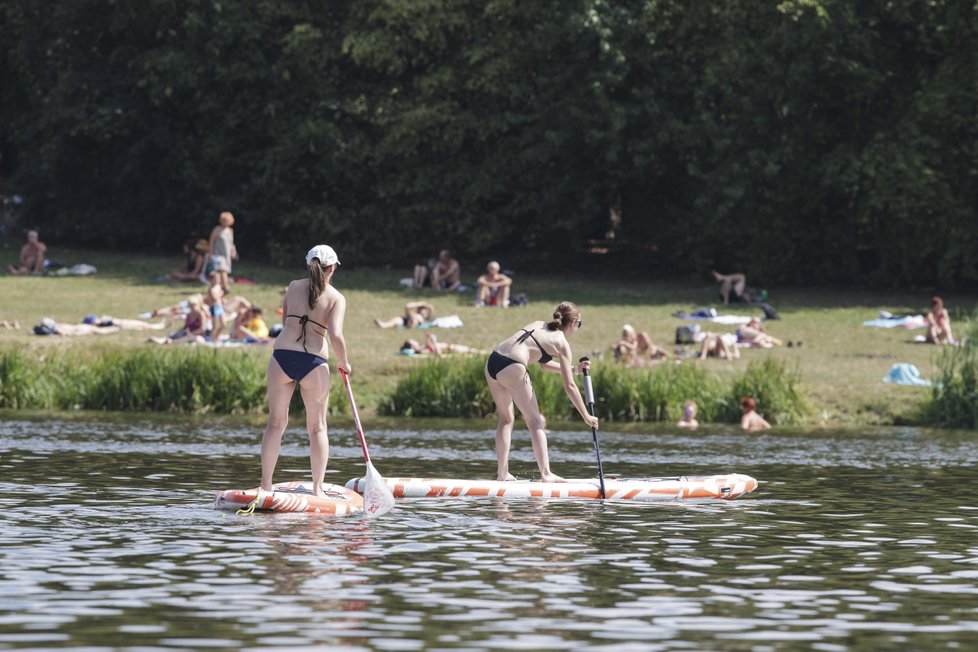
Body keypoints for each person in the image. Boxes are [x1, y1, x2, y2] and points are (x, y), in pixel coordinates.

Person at [260, 244, 350, 499]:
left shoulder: (292, 287)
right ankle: (318, 489)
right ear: (332, 268)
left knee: (275, 424)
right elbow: (336, 335)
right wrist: (344, 362)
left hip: (282, 357)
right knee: (318, 428)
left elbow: (285, 321)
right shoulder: (336, 298)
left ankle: (266, 485)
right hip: (313, 362)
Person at [484, 301, 599, 482]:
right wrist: (586, 416)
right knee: (536, 422)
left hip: (492, 361)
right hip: (513, 367)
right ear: (573, 322)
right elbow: (569, 386)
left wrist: (575, 369)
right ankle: (546, 474)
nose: (578, 328)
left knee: (506, 419)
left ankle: (502, 473)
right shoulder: (562, 343)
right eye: (579, 324)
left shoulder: (538, 324)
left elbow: (544, 364)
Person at [207, 211, 238, 292]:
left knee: (223, 271)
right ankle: (226, 287)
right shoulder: (217, 229)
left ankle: (218, 287)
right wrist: (210, 253)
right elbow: (211, 241)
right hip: (217, 253)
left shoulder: (230, 230)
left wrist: (233, 250)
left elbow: (231, 242)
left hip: (226, 254)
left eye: (227, 221)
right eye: (224, 220)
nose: (225, 222)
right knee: (222, 269)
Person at [400, 332, 487, 357]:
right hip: (452, 349)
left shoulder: (421, 347)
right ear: (412, 346)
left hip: (451, 347)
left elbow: (429, 347)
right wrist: (434, 340)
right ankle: (489, 354)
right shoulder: (421, 351)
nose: (414, 340)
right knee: (474, 351)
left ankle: (489, 353)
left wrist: (428, 339)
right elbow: (438, 353)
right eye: (412, 341)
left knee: (474, 350)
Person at [34, 317, 120, 336]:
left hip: (79, 329)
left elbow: (69, 333)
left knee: (97, 331)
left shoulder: (58, 327)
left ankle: (115, 328)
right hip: (78, 328)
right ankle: (115, 328)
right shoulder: (58, 326)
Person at [203, 271, 226, 341]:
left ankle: (216, 337)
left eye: (218, 278)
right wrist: (221, 293)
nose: (218, 280)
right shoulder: (211, 289)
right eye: (216, 278)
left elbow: (220, 298)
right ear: (211, 280)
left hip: (220, 307)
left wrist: (222, 299)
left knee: (223, 324)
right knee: (215, 326)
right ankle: (212, 340)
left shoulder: (218, 287)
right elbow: (214, 298)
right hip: (214, 308)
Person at [82, 314, 167, 331]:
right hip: (124, 324)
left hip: (124, 323)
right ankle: (160, 326)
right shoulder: (101, 324)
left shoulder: (101, 323)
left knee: (143, 324)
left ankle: (160, 325)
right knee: (144, 325)